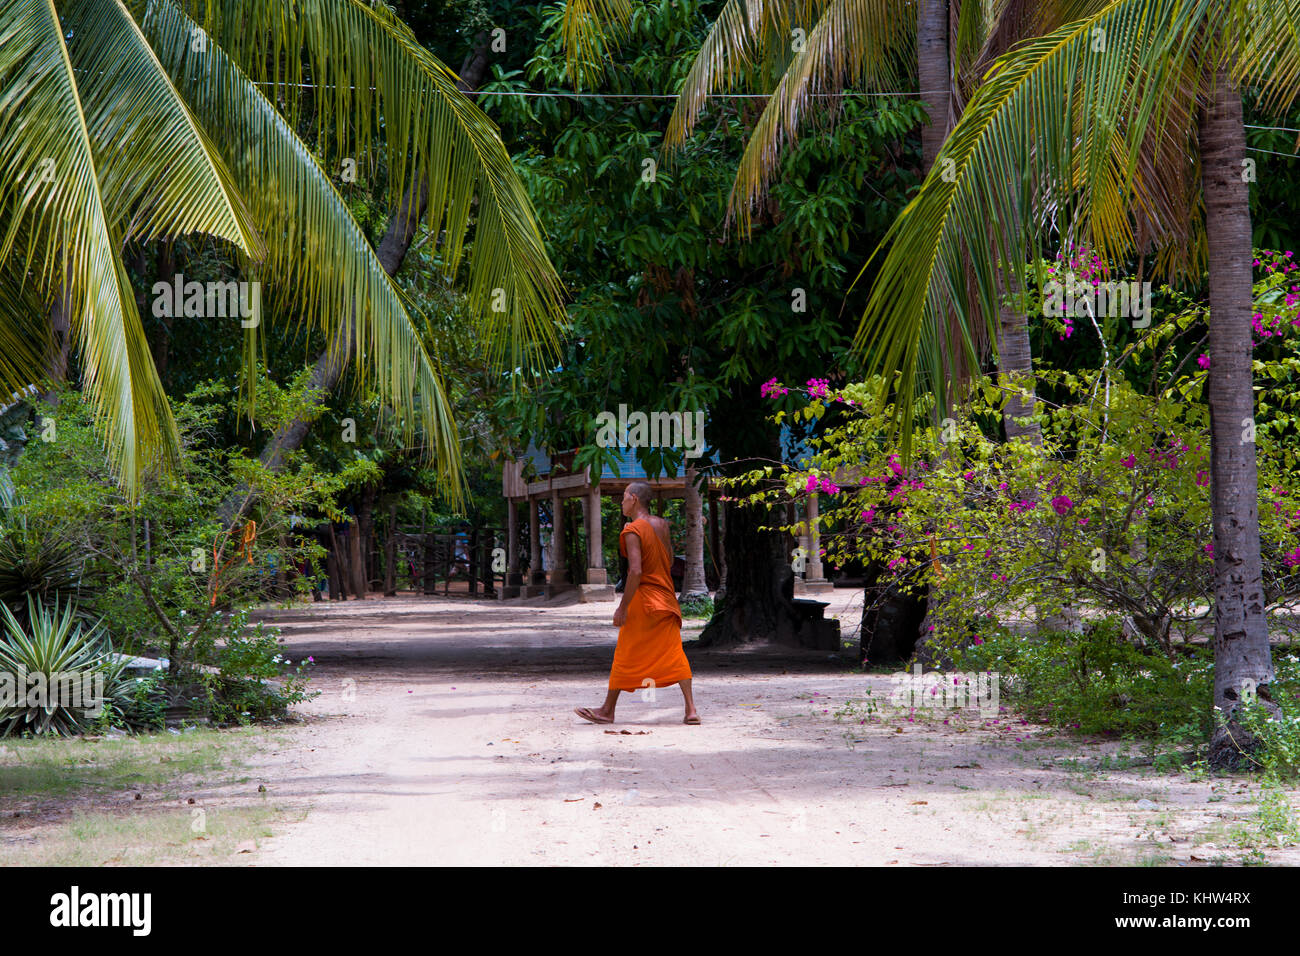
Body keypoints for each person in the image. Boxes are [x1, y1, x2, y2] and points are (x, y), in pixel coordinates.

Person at [575, 481, 700, 725]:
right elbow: (670, 559)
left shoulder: (633, 529)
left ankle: (607, 710)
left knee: (625, 653)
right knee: (675, 653)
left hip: (644, 601)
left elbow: (635, 571)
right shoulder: (662, 525)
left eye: (623, 498)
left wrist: (622, 607)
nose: (621, 503)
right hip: (666, 598)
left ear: (633, 499)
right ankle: (691, 709)